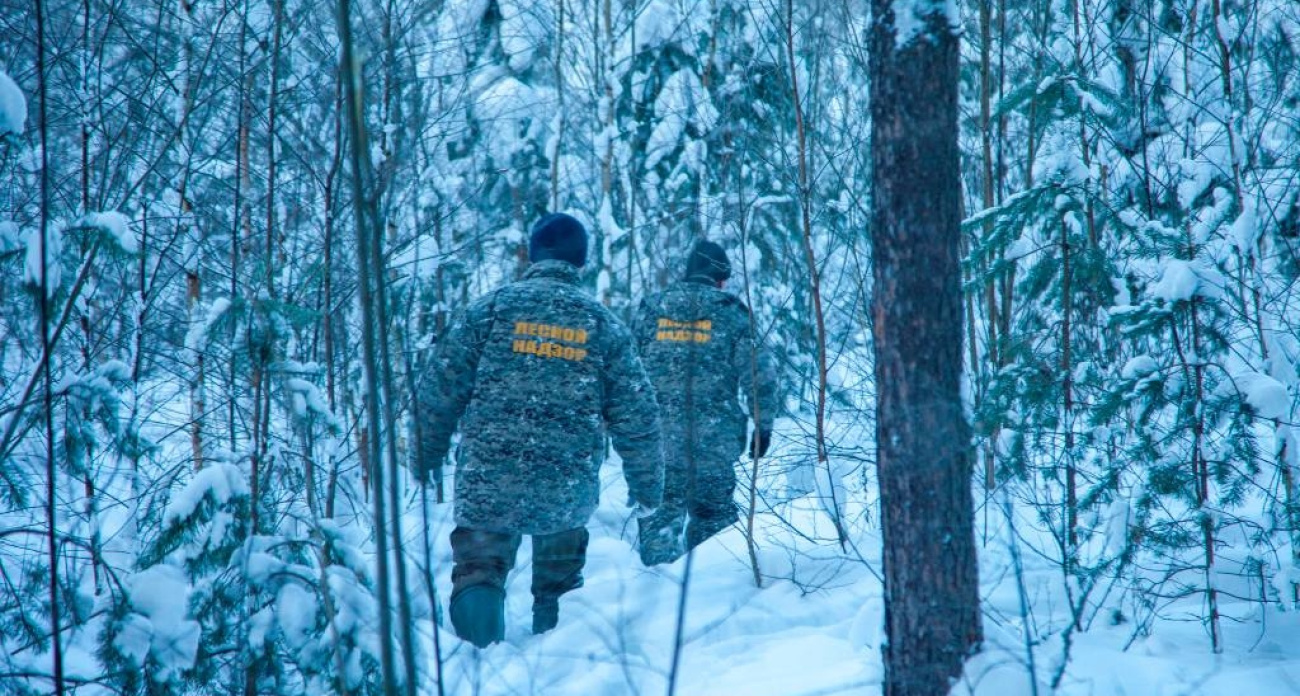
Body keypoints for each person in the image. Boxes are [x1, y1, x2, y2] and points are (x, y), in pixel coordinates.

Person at [415, 213, 664, 647]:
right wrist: (647, 487)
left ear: (533, 255)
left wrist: (424, 455)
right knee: (560, 587)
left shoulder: (490, 310)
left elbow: (439, 390)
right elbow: (638, 415)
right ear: (580, 261)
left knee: (479, 572)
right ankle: (554, 669)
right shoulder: (601, 323)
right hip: (564, 482)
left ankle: (478, 667)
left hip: (490, 476)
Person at [633, 240, 779, 566]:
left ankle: (654, 593)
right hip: (713, 443)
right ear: (721, 279)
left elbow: (626, 373)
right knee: (714, 524)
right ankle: (706, 592)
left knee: (659, 519)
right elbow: (760, 375)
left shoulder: (651, 310)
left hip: (658, 443)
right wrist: (763, 424)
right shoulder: (731, 313)